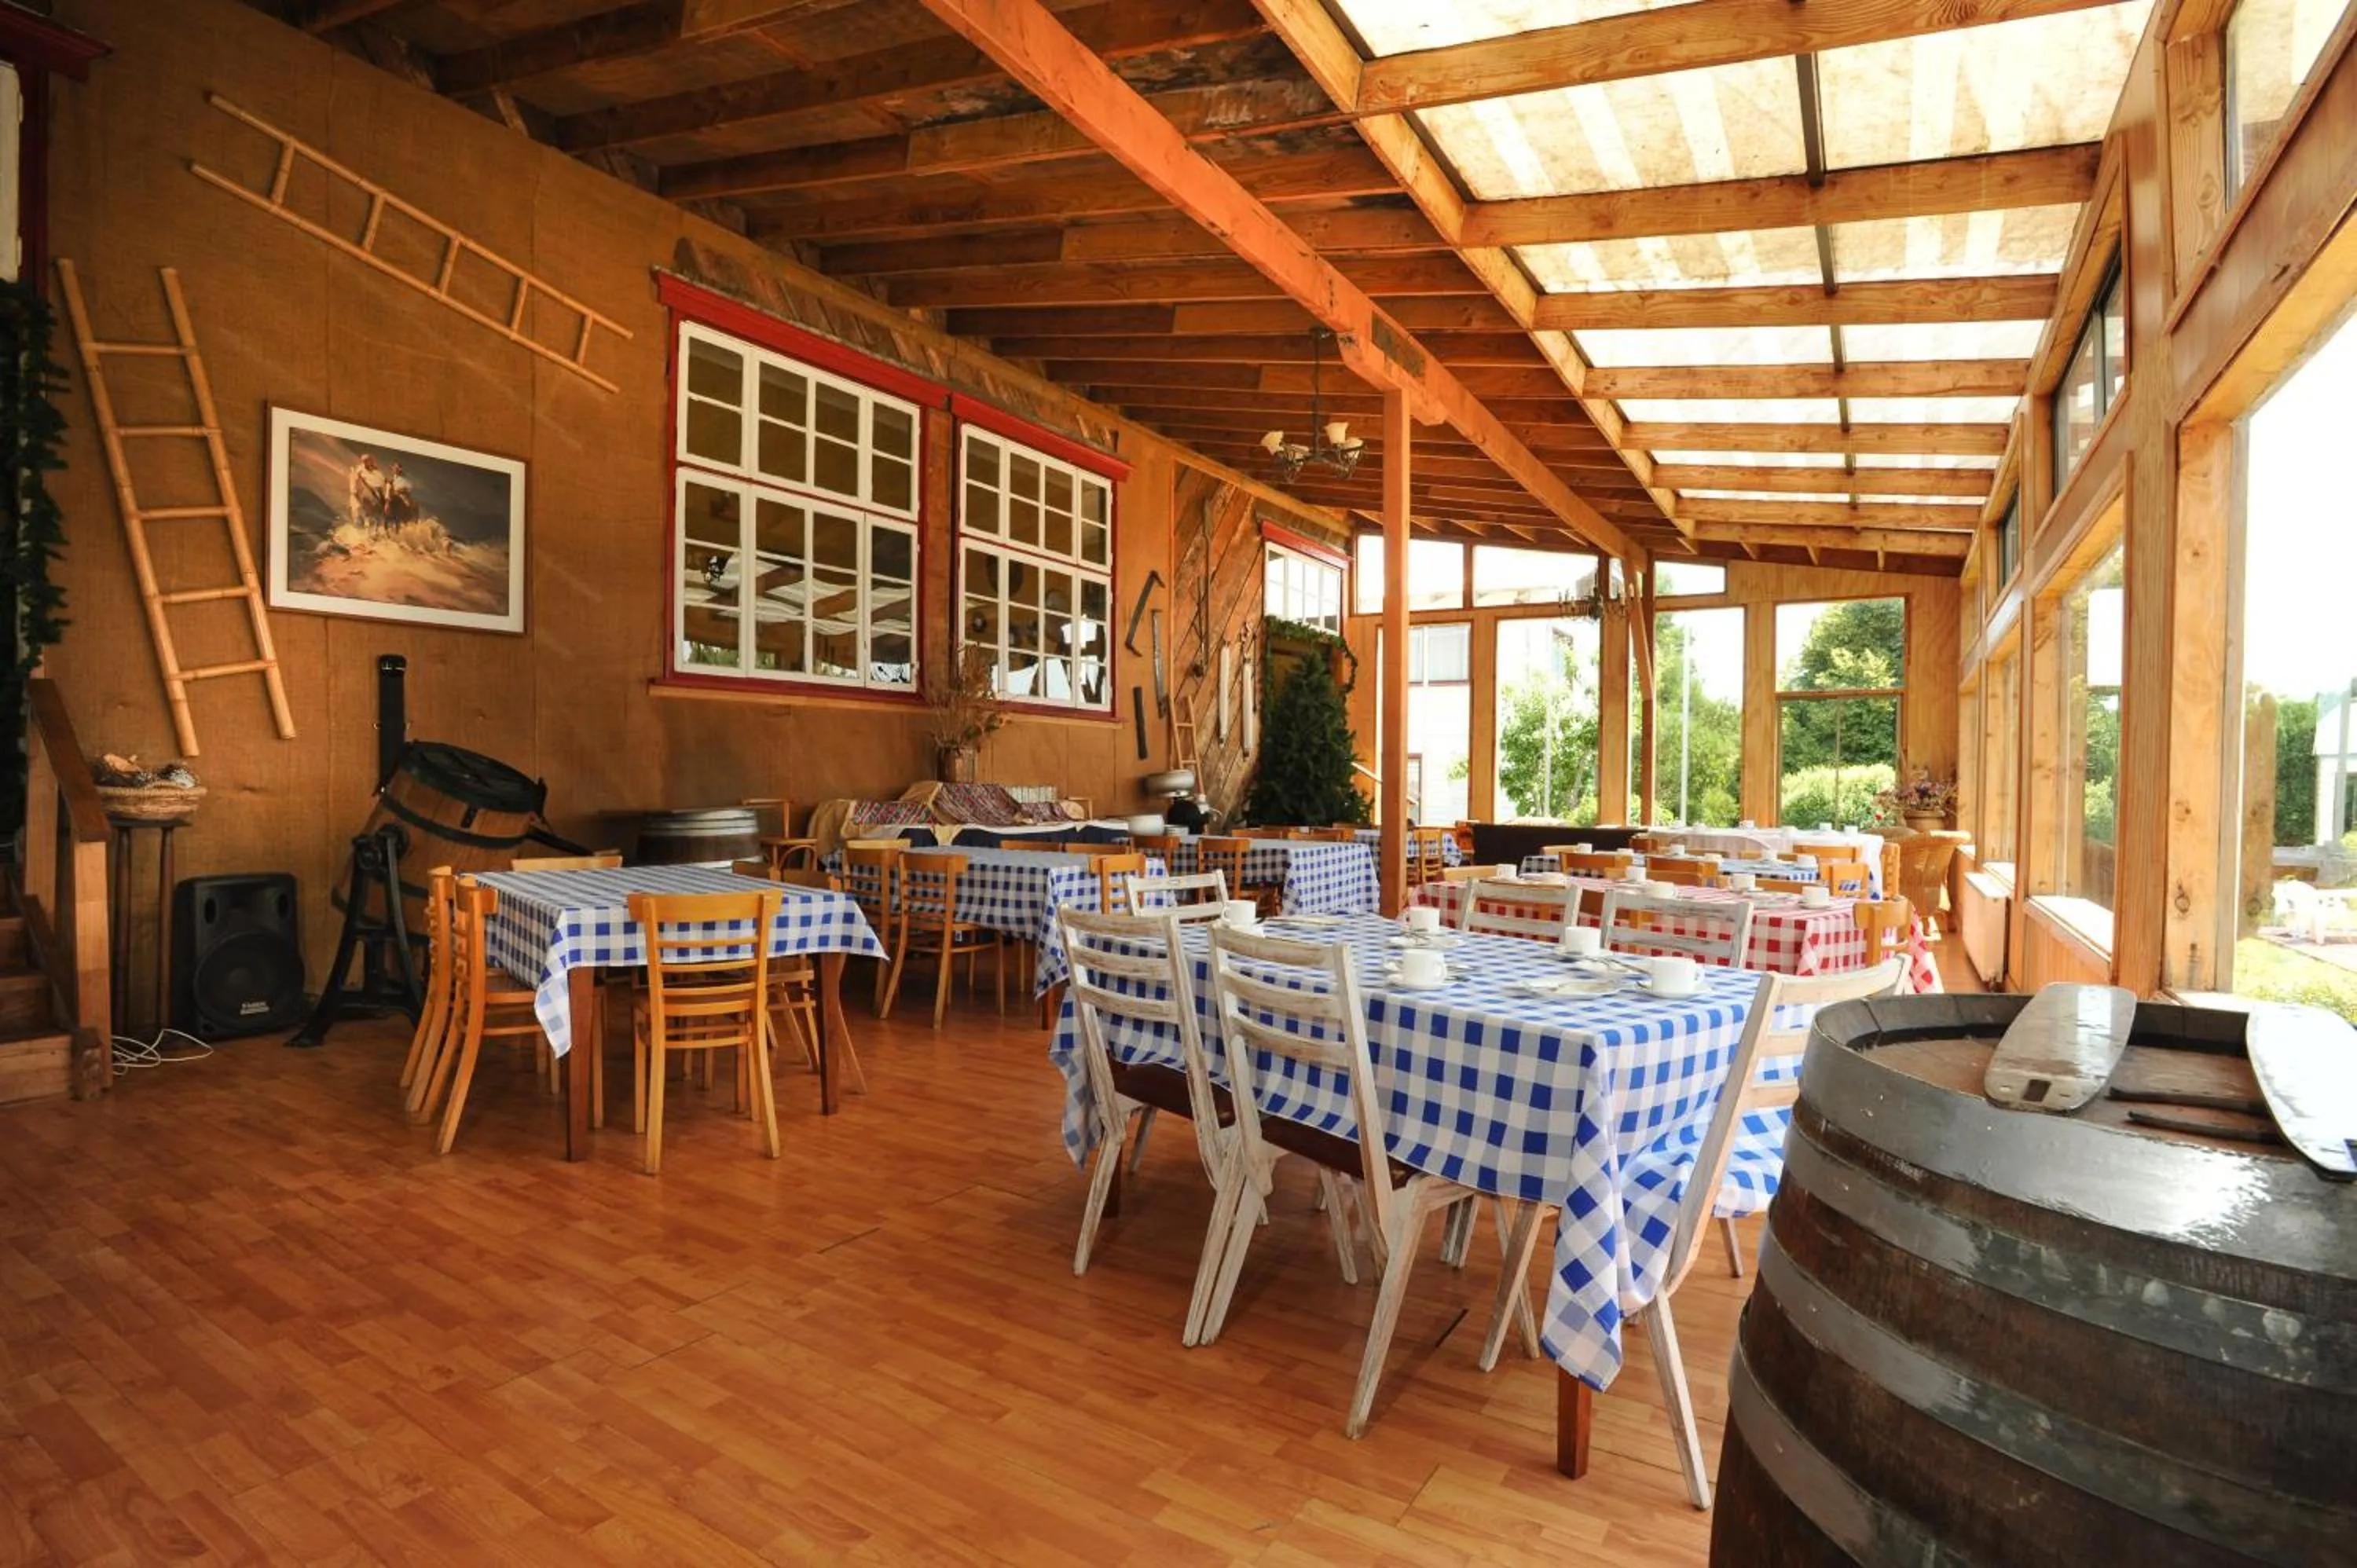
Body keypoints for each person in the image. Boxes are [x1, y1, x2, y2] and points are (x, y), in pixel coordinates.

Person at [346, 453, 388, 533]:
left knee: (380, 509)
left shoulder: (376, 470)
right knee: (360, 515)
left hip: (375, 492)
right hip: (363, 495)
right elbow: (355, 485)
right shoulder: (359, 470)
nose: (367, 462)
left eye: (368, 460)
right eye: (365, 461)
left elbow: (382, 480)